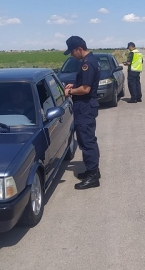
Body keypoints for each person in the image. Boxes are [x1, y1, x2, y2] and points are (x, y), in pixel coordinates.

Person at [63, 36, 101, 190]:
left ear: (79, 49)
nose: (72, 55)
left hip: (84, 107)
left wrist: (70, 91)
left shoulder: (87, 64)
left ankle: (93, 177)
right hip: (86, 106)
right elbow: (85, 84)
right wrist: (76, 84)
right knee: (88, 139)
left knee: (86, 141)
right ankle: (93, 171)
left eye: (72, 52)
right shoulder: (92, 60)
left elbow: (86, 89)